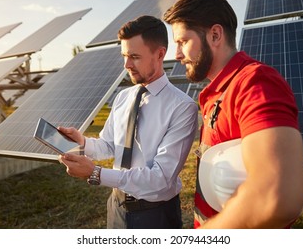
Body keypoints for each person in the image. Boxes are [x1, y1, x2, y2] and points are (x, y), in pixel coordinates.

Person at [163, 0, 303, 229]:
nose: (176, 55)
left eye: (182, 42)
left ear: (215, 35)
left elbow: (278, 197)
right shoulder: (215, 93)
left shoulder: (255, 83)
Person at [58, 15, 199, 229]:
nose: (126, 64)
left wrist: (96, 173)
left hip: (155, 215)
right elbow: (109, 145)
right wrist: (83, 143)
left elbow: (160, 178)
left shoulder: (182, 107)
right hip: (116, 206)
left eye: (134, 56)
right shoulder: (124, 97)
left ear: (160, 54)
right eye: (124, 55)